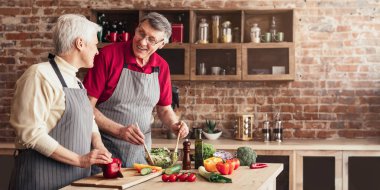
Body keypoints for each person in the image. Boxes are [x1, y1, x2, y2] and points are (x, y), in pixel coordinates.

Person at [9, 14, 113, 190]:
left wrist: (99, 145)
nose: (97, 51)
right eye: (95, 44)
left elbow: (89, 120)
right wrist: (79, 160)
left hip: (75, 179)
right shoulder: (39, 75)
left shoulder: (76, 81)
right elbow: (30, 134)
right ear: (80, 43)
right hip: (39, 179)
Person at [83, 12, 189, 168]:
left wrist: (174, 124)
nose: (143, 42)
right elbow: (86, 107)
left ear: (161, 44)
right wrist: (119, 131)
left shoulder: (162, 67)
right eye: (141, 33)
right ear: (136, 29)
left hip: (141, 155)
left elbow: (164, 109)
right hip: (103, 151)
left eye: (151, 40)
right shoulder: (107, 56)